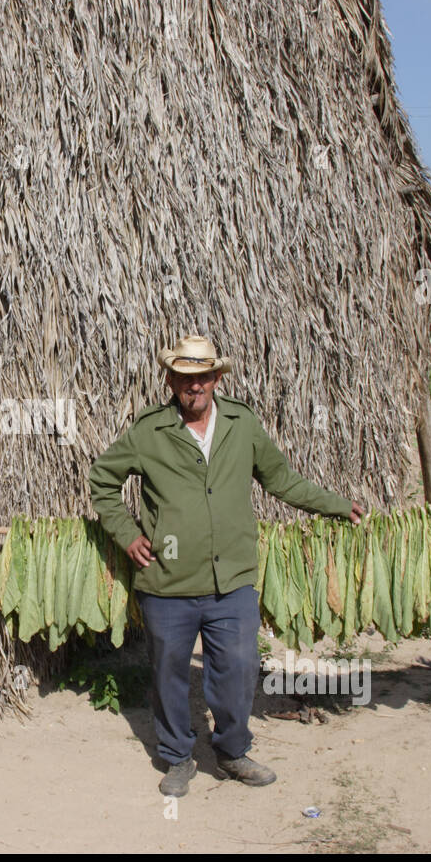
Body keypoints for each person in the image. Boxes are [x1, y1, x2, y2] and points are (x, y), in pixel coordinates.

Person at [88, 335, 364, 797]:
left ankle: (232, 751)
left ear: (217, 378)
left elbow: (282, 480)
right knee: (168, 672)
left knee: (238, 666)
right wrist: (127, 533)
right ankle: (177, 758)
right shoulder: (149, 431)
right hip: (168, 581)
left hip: (231, 578)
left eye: (202, 377)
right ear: (171, 380)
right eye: (184, 378)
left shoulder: (242, 424)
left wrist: (335, 506)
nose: (194, 386)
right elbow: (102, 480)